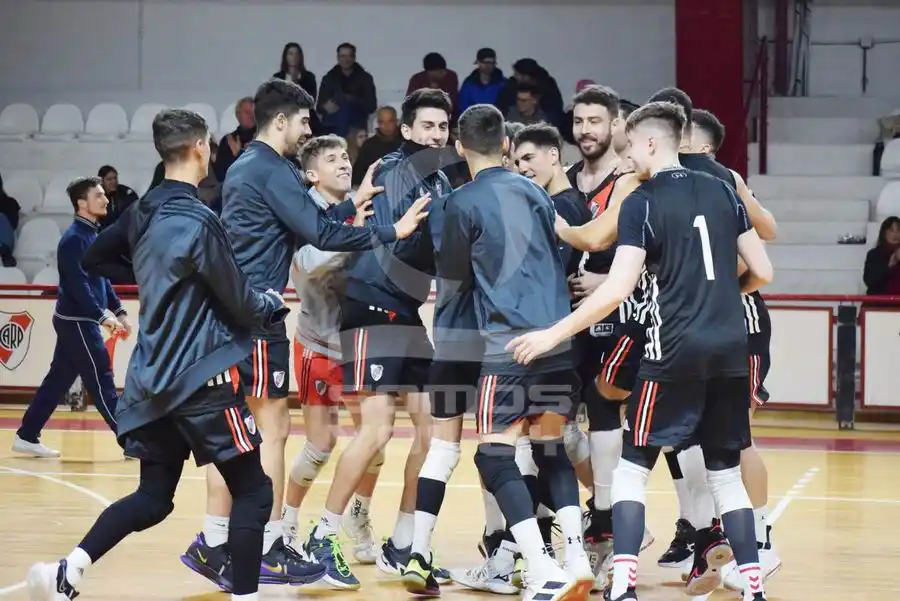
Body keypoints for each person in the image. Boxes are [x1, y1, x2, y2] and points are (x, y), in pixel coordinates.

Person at [507, 100, 773, 601]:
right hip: (729, 350)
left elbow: (615, 290)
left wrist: (553, 333)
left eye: (630, 146)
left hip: (671, 350)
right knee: (725, 476)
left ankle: (623, 585)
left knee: (631, 469)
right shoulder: (724, 189)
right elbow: (762, 271)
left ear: (651, 142)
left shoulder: (642, 200)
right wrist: (717, 298)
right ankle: (753, 589)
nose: (627, 156)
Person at [26, 108, 290, 601]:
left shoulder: (141, 211)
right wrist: (271, 305)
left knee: (154, 497)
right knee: (254, 491)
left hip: (151, 382)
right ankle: (246, 596)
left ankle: (68, 570)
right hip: (202, 381)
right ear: (199, 148)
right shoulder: (200, 220)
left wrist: (158, 268)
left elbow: (94, 257)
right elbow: (241, 301)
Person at [184, 78, 429, 588]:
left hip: (237, 311)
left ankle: (216, 539)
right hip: (254, 313)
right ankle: (267, 544)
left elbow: (305, 222)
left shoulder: (251, 166)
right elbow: (318, 233)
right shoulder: (271, 168)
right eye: (303, 121)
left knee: (241, 433)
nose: (307, 129)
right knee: (270, 432)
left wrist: (351, 204)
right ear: (281, 121)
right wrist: (392, 230)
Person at [439, 103, 593, 601]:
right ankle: (576, 558)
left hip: (508, 346)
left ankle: (541, 567)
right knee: (550, 450)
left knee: (493, 455)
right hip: (558, 340)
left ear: (459, 147)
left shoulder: (461, 202)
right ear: (506, 144)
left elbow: (455, 278)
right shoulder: (535, 191)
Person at [303, 88, 452, 588]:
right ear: (406, 130)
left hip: (405, 312)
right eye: (427, 126)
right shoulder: (391, 171)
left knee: (433, 433)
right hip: (371, 305)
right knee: (377, 430)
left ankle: (403, 543)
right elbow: (399, 242)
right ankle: (323, 535)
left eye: (443, 127)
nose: (436, 134)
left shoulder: (439, 179)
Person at [645, 89, 780, 588]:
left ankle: (760, 541)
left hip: (737, 322)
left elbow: (768, 233)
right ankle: (704, 534)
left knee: (735, 438)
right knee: (692, 437)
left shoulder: (720, 180)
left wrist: (722, 289)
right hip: (699, 324)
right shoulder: (674, 184)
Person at [280, 136, 384, 586]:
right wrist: (358, 230)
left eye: (345, 157)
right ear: (311, 174)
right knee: (320, 446)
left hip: (359, 345)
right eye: (331, 159)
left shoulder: (366, 201)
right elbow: (311, 267)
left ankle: (357, 516)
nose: (343, 163)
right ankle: (287, 523)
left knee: (375, 443)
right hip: (318, 345)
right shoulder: (304, 213)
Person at [12, 176, 129, 459]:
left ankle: (26, 435)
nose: (105, 199)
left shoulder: (92, 236)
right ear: (81, 204)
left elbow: (102, 279)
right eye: (98, 195)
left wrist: (119, 310)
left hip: (78, 320)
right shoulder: (73, 240)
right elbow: (78, 286)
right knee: (102, 378)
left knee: (58, 380)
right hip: (77, 322)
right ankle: (132, 441)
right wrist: (101, 317)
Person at [863, 216, 900, 296]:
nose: (895, 234)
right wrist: (889, 266)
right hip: (879, 301)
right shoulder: (874, 255)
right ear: (884, 233)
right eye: (891, 230)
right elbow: (870, 281)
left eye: (898, 230)